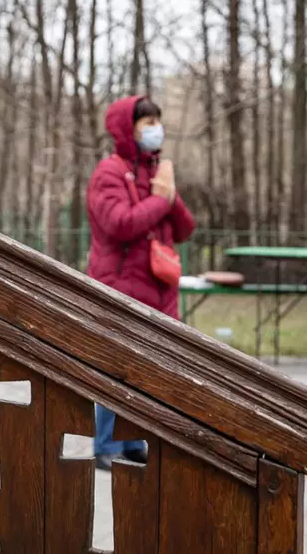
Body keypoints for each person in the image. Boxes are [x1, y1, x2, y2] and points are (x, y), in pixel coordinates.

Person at [85, 96, 195, 470]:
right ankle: (106, 445)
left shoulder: (155, 172)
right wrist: (160, 201)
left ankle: (132, 441)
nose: (154, 129)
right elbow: (119, 223)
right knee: (118, 367)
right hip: (121, 287)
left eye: (156, 122)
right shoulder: (108, 173)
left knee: (149, 371)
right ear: (125, 129)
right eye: (146, 122)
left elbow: (184, 228)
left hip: (159, 289)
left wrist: (168, 194)